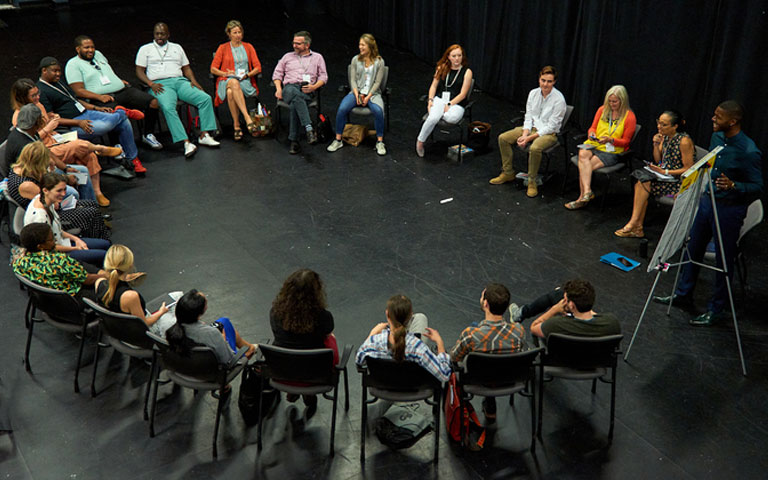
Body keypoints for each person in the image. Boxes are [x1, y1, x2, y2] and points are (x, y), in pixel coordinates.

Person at [653, 101, 763, 326]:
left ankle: (716, 308)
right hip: (707, 202)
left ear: (732, 121)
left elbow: (758, 186)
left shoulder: (749, 151)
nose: (713, 119)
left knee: (724, 260)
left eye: (718, 117)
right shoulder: (716, 138)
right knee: (692, 248)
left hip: (729, 210)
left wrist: (734, 186)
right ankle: (683, 294)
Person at [10, 80, 121, 206]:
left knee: (88, 156)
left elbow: (46, 121)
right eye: (33, 95)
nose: (38, 97)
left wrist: (52, 117)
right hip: (45, 149)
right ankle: (99, 148)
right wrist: (48, 128)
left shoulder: (38, 104)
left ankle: (95, 196)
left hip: (56, 140)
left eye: (37, 93)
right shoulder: (20, 117)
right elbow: (31, 142)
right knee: (79, 145)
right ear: (22, 97)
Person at [36, 56, 147, 175]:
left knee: (123, 122)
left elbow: (76, 101)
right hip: (73, 123)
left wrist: (97, 108)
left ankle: (133, 159)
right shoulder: (41, 91)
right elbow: (53, 119)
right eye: (55, 71)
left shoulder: (58, 83)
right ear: (44, 71)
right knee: (107, 125)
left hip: (87, 112)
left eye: (59, 71)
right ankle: (122, 112)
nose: (58, 74)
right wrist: (78, 123)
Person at [135, 22, 220, 158]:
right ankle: (186, 142)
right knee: (169, 107)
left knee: (205, 98)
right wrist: (151, 84)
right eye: (157, 34)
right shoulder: (145, 49)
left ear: (168, 34)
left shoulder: (177, 48)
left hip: (180, 82)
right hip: (160, 84)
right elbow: (139, 71)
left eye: (162, 34)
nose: (159, 36)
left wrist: (194, 81)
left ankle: (204, 135)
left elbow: (186, 68)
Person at [65, 35, 164, 150]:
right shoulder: (73, 64)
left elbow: (106, 71)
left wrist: (117, 81)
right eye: (86, 48)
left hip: (122, 91)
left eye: (92, 47)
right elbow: (78, 91)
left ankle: (148, 134)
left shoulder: (98, 54)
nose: (91, 50)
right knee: (113, 113)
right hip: (101, 98)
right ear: (78, 49)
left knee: (153, 102)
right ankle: (116, 145)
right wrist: (99, 97)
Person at [450, 283, 525, 423]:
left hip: (479, 380)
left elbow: (454, 357)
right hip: (508, 377)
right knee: (495, 360)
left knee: (481, 354)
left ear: (485, 303)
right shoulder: (519, 331)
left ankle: (487, 405)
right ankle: (490, 406)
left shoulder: (471, 335)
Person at [8, 142, 111, 244]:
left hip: (52, 208)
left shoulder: (24, 168)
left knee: (91, 204)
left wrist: (52, 168)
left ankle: (97, 232)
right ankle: (100, 241)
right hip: (49, 216)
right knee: (90, 213)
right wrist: (52, 171)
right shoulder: (27, 185)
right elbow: (55, 204)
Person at [615, 110, 696, 237]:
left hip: (678, 181)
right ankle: (636, 226)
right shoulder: (665, 137)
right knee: (642, 181)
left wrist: (665, 171)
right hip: (665, 176)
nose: (659, 127)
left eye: (664, 125)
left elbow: (689, 168)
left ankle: (635, 224)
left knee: (642, 185)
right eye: (659, 123)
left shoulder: (684, 141)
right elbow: (659, 160)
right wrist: (656, 144)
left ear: (675, 126)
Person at [490, 66, 567, 198]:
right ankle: (508, 172)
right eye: (543, 80)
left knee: (535, 148)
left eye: (549, 81)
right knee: (503, 138)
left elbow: (551, 126)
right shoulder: (533, 93)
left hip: (549, 134)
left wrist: (529, 139)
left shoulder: (559, 100)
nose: (545, 84)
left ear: (554, 82)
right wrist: (525, 134)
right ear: (539, 79)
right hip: (531, 129)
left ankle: (532, 181)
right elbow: (529, 116)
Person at [270, 268, 337, 413]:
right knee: (331, 338)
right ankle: (308, 391)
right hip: (315, 372)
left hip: (282, 370)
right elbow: (327, 334)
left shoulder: (275, 313)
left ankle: (294, 389)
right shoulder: (322, 317)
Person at [565, 85, 637, 209]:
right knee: (583, 154)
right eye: (609, 101)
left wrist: (611, 140)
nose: (612, 104)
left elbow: (626, 141)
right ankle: (587, 191)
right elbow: (592, 127)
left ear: (622, 100)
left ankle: (581, 199)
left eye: (615, 101)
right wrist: (591, 134)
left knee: (585, 167)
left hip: (612, 150)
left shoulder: (629, 117)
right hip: (595, 144)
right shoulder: (602, 110)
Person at [356, 294, 451, 382]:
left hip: (382, 384)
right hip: (412, 386)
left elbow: (359, 360)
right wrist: (440, 343)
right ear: (410, 316)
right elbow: (444, 375)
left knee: (420, 318)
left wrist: (372, 334)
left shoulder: (374, 342)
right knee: (421, 318)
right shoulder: (418, 347)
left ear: (387, 314)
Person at [24, 171, 111, 266]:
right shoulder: (40, 217)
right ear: (45, 190)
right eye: (59, 191)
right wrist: (75, 248)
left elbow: (57, 230)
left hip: (61, 242)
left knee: (105, 244)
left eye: (64, 189)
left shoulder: (46, 200)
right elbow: (48, 247)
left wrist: (77, 240)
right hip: (55, 254)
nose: (63, 194)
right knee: (104, 255)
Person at [95, 244, 179, 336]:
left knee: (176, 296)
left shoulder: (99, 283)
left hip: (117, 329)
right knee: (177, 300)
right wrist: (161, 312)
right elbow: (144, 323)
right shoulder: (130, 296)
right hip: (138, 334)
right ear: (130, 265)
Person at [327, 34, 387, 156]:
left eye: (362, 45)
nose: (360, 47)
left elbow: (377, 83)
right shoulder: (355, 60)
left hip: (372, 94)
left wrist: (368, 96)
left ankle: (380, 142)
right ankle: (338, 140)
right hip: (356, 92)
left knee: (379, 111)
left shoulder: (379, 62)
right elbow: (353, 80)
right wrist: (356, 94)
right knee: (342, 109)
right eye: (359, 44)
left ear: (370, 46)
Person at [13, 223, 105, 302]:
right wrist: (110, 276)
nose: (55, 241)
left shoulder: (18, 263)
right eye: (51, 240)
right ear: (40, 246)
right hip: (73, 299)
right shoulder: (60, 262)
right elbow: (88, 280)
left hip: (46, 301)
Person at [272, 30, 328, 155]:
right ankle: (308, 129)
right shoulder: (287, 57)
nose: (294, 46)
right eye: (293, 43)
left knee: (295, 103)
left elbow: (324, 77)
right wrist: (278, 88)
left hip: (307, 91)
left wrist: (314, 87)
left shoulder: (318, 57)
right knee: (292, 91)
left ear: (307, 45)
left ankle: (294, 141)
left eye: (298, 44)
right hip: (288, 89)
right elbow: (277, 74)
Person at [165, 289, 256, 365]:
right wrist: (224, 341)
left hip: (189, 367)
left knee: (224, 322)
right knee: (225, 332)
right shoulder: (212, 334)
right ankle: (250, 350)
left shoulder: (172, 332)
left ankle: (249, 346)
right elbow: (229, 361)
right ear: (201, 312)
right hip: (215, 371)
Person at [508, 280, 621, 340]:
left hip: (563, 362)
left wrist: (554, 310)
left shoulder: (557, 324)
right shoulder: (612, 323)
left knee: (556, 294)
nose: (563, 301)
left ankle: (521, 313)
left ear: (571, 306)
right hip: (595, 362)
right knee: (558, 294)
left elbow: (534, 328)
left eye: (565, 299)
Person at [415, 44, 473, 158]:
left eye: (459, 56)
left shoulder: (467, 72)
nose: (457, 58)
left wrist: (450, 104)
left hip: (457, 103)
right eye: (454, 56)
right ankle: (420, 142)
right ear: (448, 57)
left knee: (451, 118)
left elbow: (463, 94)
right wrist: (430, 100)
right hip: (441, 100)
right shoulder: (441, 68)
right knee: (433, 117)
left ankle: (438, 114)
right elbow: (433, 86)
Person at [210, 20, 262, 141]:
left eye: (239, 32)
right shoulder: (222, 48)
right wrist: (226, 73)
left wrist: (248, 75)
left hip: (244, 81)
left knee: (230, 92)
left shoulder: (248, 47)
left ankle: (237, 126)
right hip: (226, 80)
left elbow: (258, 67)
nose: (238, 35)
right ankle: (247, 118)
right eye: (235, 32)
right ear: (229, 34)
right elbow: (213, 69)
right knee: (233, 82)